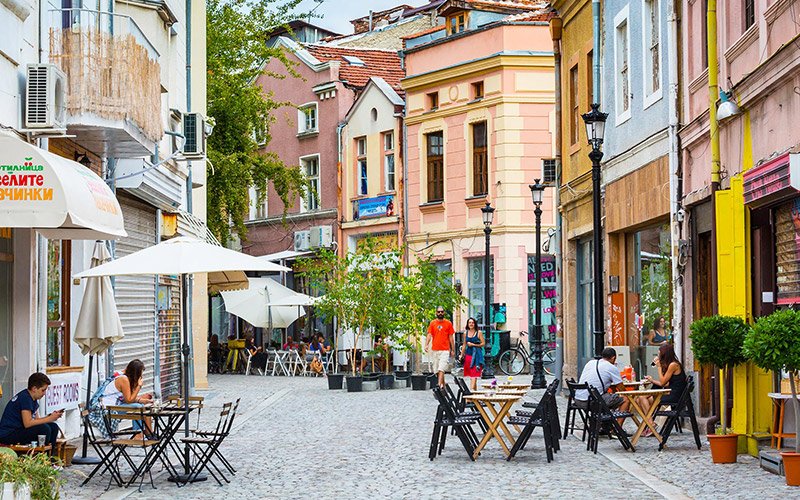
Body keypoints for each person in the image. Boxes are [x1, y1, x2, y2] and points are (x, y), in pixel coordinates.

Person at [0, 373, 62, 455]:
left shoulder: (33, 399)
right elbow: (27, 423)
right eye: (43, 390)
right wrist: (49, 418)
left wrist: (51, 417)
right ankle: (42, 458)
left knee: (53, 426)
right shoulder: (25, 398)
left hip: (19, 430)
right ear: (34, 388)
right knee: (44, 429)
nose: (44, 393)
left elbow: (36, 421)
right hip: (9, 434)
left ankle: (50, 457)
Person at [636, 343, 687, 437]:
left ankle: (651, 425)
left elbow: (663, 383)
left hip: (674, 396)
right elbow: (666, 383)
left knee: (642, 397)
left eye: (660, 354)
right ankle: (650, 424)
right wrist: (652, 380)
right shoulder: (671, 365)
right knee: (640, 400)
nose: (658, 356)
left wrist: (659, 367)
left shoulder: (674, 365)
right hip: (670, 392)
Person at [574, 347, 631, 429]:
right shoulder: (611, 367)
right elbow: (621, 388)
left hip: (578, 399)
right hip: (592, 402)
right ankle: (618, 429)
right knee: (626, 400)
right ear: (613, 358)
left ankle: (602, 426)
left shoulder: (590, 363)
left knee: (607, 397)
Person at [100, 359, 153, 440]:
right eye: (140, 374)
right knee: (138, 408)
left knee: (142, 407)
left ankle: (149, 434)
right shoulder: (123, 379)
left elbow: (128, 397)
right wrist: (139, 386)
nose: (141, 377)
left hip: (114, 406)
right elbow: (129, 400)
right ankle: (138, 436)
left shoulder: (125, 377)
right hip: (107, 409)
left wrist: (143, 399)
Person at [425, 306, 455, 388]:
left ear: (444, 312)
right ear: (436, 313)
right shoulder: (432, 323)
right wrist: (426, 345)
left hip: (445, 349)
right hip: (435, 349)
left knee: (441, 368)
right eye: (438, 312)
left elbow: (451, 337)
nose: (440, 313)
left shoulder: (448, 323)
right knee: (437, 370)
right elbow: (429, 335)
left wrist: (452, 349)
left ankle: (439, 386)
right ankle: (444, 385)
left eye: (442, 312)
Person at [459, 317, 485, 390]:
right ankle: (475, 396)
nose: (471, 324)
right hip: (468, 355)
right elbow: (464, 345)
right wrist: (461, 355)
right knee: (472, 376)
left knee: (474, 375)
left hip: (476, 356)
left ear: (475, 324)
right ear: (467, 324)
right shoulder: (465, 333)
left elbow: (483, 344)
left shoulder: (479, 333)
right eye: (469, 323)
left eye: (472, 323)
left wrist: (474, 345)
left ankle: (470, 395)